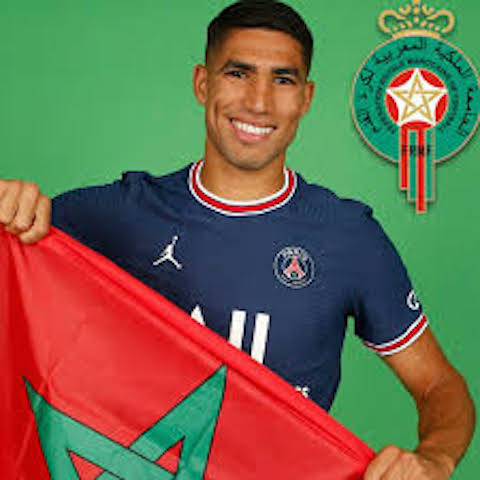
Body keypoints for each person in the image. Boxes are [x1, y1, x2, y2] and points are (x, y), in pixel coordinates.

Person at [0, 1, 474, 478]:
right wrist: (12, 206)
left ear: (306, 98)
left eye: (282, 80)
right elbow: (15, 268)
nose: (259, 102)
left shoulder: (347, 237)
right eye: (238, 73)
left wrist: (434, 458)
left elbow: (439, 385)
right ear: (202, 84)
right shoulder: (120, 213)